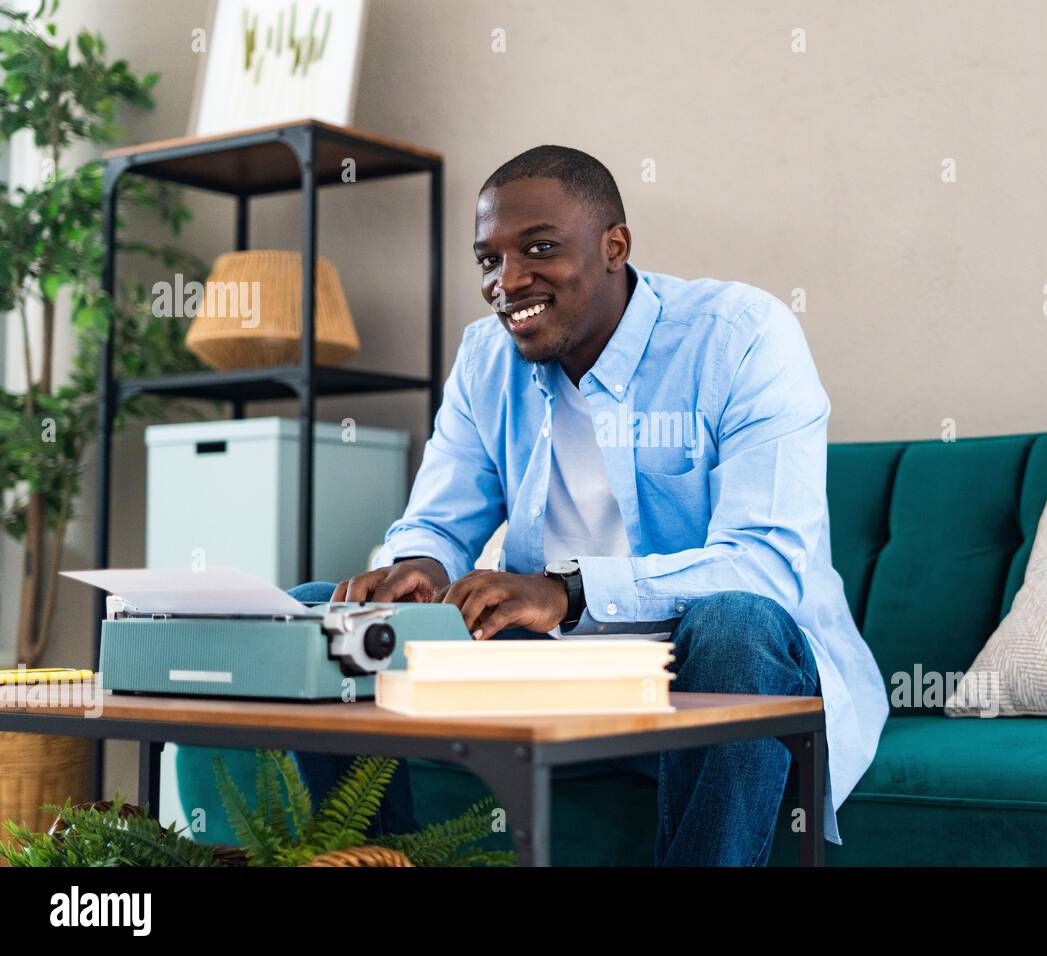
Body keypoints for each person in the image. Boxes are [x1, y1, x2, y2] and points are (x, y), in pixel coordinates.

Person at [293, 145, 889, 866]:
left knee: (737, 624)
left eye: (539, 249)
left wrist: (566, 593)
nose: (507, 282)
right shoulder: (486, 357)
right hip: (555, 671)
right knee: (319, 611)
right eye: (489, 259)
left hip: (707, 671)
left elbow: (766, 565)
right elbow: (437, 521)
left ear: (615, 247)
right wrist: (415, 566)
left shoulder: (741, 336)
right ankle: (375, 861)